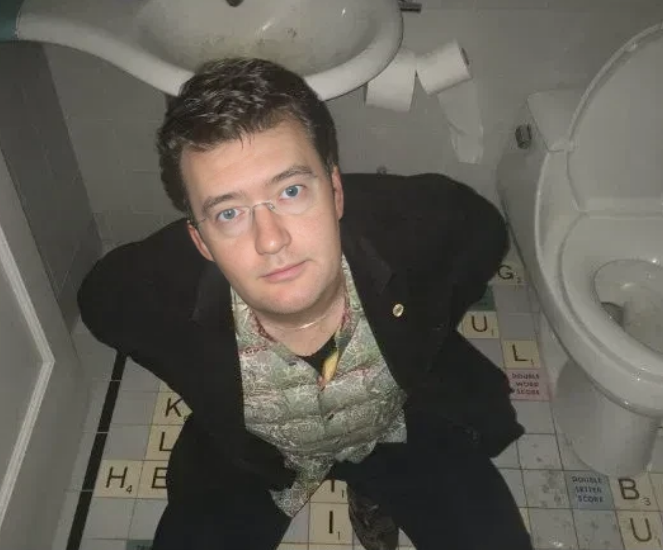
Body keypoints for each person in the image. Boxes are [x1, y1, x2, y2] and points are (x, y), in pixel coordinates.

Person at [78, 57, 533, 550]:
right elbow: (100, 302)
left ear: (335, 192)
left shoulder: (411, 229)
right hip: (258, 453)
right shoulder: (160, 289)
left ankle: (376, 486)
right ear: (201, 241)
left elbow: (484, 231)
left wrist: (431, 329)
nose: (271, 239)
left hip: (398, 427)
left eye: (291, 191)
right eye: (229, 213)